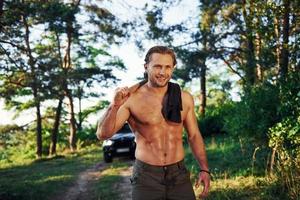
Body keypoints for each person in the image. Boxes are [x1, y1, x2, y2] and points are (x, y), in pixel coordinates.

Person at [96, 46, 210, 200]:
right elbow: (103, 134)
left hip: (179, 174)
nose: (162, 72)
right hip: (146, 176)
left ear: (173, 68)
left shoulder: (184, 98)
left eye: (167, 67)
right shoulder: (131, 99)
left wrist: (204, 169)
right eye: (157, 66)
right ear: (146, 67)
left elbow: (194, 135)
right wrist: (114, 106)